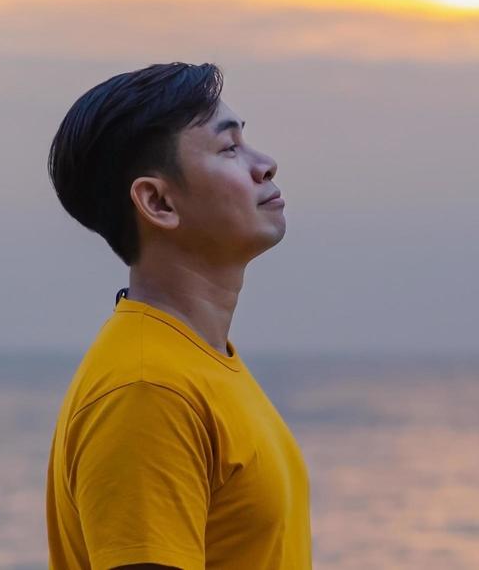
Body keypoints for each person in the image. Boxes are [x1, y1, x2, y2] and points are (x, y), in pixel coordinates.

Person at [42, 61, 311, 569]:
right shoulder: (149, 390)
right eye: (229, 148)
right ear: (158, 201)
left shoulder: (197, 363)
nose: (265, 164)